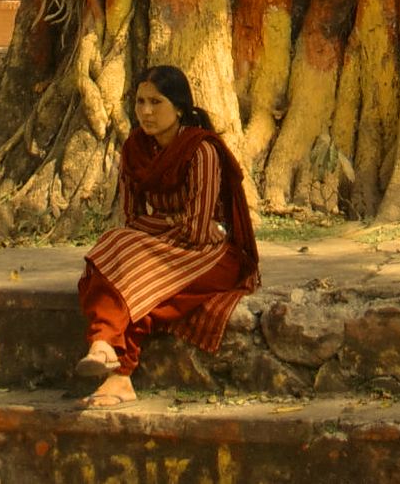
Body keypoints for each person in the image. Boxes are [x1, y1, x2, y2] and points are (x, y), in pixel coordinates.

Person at [74, 65, 260, 408]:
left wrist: (156, 224)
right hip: (164, 249)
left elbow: (198, 231)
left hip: (212, 255)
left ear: (179, 107)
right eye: (140, 101)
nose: (146, 111)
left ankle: (109, 354)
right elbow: (132, 217)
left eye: (156, 102)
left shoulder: (200, 150)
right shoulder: (134, 148)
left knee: (125, 262)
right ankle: (112, 366)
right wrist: (166, 224)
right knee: (113, 254)